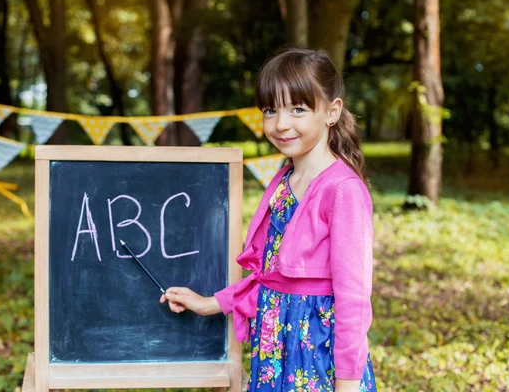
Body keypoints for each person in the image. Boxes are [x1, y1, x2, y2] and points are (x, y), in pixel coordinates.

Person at [160, 47, 377, 392]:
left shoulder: (342, 190)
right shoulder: (281, 184)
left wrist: (348, 383)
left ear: (331, 112)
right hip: (273, 345)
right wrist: (209, 303)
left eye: (298, 109)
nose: (280, 124)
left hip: (316, 353)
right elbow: (269, 278)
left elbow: (353, 297)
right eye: (271, 110)